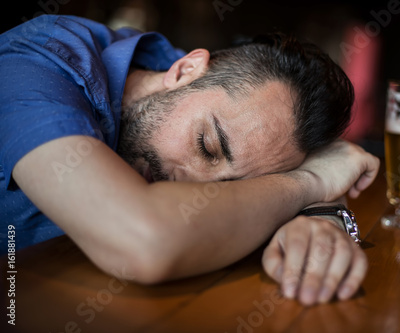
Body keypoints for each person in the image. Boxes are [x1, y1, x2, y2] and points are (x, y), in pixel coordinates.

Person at [0, 15, 379, 306]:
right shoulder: (36, 66)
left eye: (231, 186)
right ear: (184, 71)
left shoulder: (203, 90)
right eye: (208, 146)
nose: (194, 190)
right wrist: (312, 183)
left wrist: (322, 219)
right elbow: (147, 241)